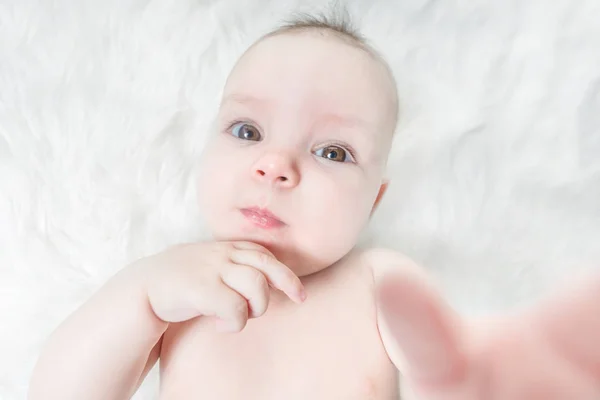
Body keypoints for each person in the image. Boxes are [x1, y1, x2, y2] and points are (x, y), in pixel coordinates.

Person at [28, 12, 600, 400]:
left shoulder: (378, 280)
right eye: (247, 130)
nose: (276, 165)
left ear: (374, 201)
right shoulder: (176, 285)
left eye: (332, 151)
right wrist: (141, 294)